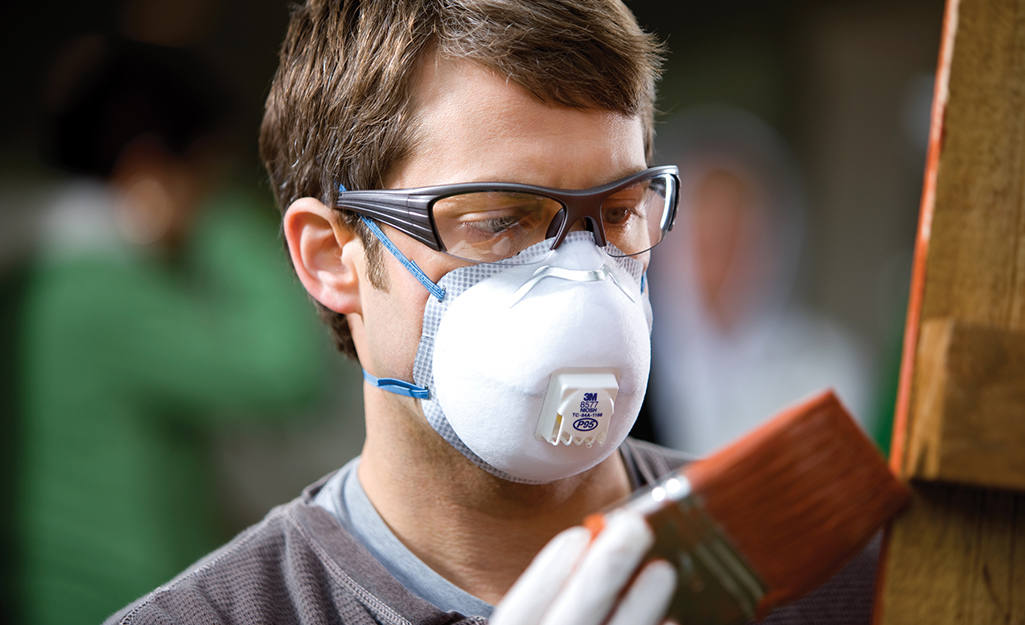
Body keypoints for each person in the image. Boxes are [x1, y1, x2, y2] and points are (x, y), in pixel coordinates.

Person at [107, 2, 880, 624]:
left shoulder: (826, 566)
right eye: (499, 220)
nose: (581, 276)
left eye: (616, 214)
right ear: (328, 256)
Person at [15, 35, 330, 625]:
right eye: (207, 177)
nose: (210, 197)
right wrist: (221, 222)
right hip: (113, 600)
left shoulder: (60, 271)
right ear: (149, 171)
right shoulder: (99, 291)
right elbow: (284, 368)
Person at [642, 107, 874, 456]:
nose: (723, 259)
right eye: (707, 237)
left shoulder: (827, 364)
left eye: (738, 232)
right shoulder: (634, 356)